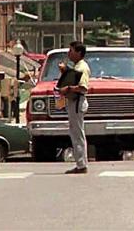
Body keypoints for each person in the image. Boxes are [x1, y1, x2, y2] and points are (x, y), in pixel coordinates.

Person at [58, 41, 90, 174]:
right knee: (75, 132)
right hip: (73, 102)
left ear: (79, 52)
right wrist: (65, 72)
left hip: (77, 101)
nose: (68, 53)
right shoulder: (76, 67)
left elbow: (82, 87)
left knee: (77, 134)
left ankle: (82, 164)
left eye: (71, 51)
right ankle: (80, 163)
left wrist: (68, 88)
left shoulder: (82, 68)